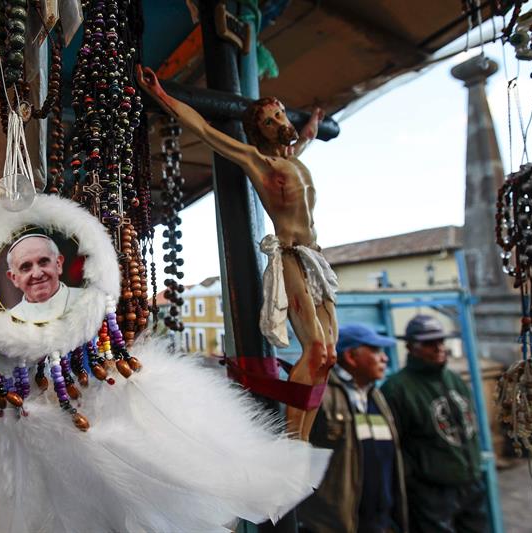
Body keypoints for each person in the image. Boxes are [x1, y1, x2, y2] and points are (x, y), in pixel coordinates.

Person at [136, 66, 337, 440]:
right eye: (270, 119)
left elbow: (305, 135)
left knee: (329, 355)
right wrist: (162, 96)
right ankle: (295, 441)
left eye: (279, 114)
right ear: (258, 131)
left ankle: (302, 438)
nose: (279, 121)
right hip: (292, 256)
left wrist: (312, 122)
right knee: (314, 351)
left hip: (317, 258)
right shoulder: (259, 163)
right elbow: (206, 131)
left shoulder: (295, 159)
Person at [381, 315, 488, 533]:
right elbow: (392, 447)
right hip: (431, 491)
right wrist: (416, 482)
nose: (438, 347)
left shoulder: (454, 379)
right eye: (429, 343)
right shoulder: (397, 389)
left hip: (470, 482)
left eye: (440, 341)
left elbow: (470, 425)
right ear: (411, 347)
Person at [300, 324, 408, 533]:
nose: (384, 358)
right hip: (338, 524)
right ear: (351, 356)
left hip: (380, 522)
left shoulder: (376, 397)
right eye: (376, 351)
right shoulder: (322, 395)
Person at [5, 233, 83, 324]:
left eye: (43, 262)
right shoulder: (9, 322)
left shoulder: (89, 300)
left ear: (58, 264)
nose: (37, 274)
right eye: (26, 267)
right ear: (14, 278)